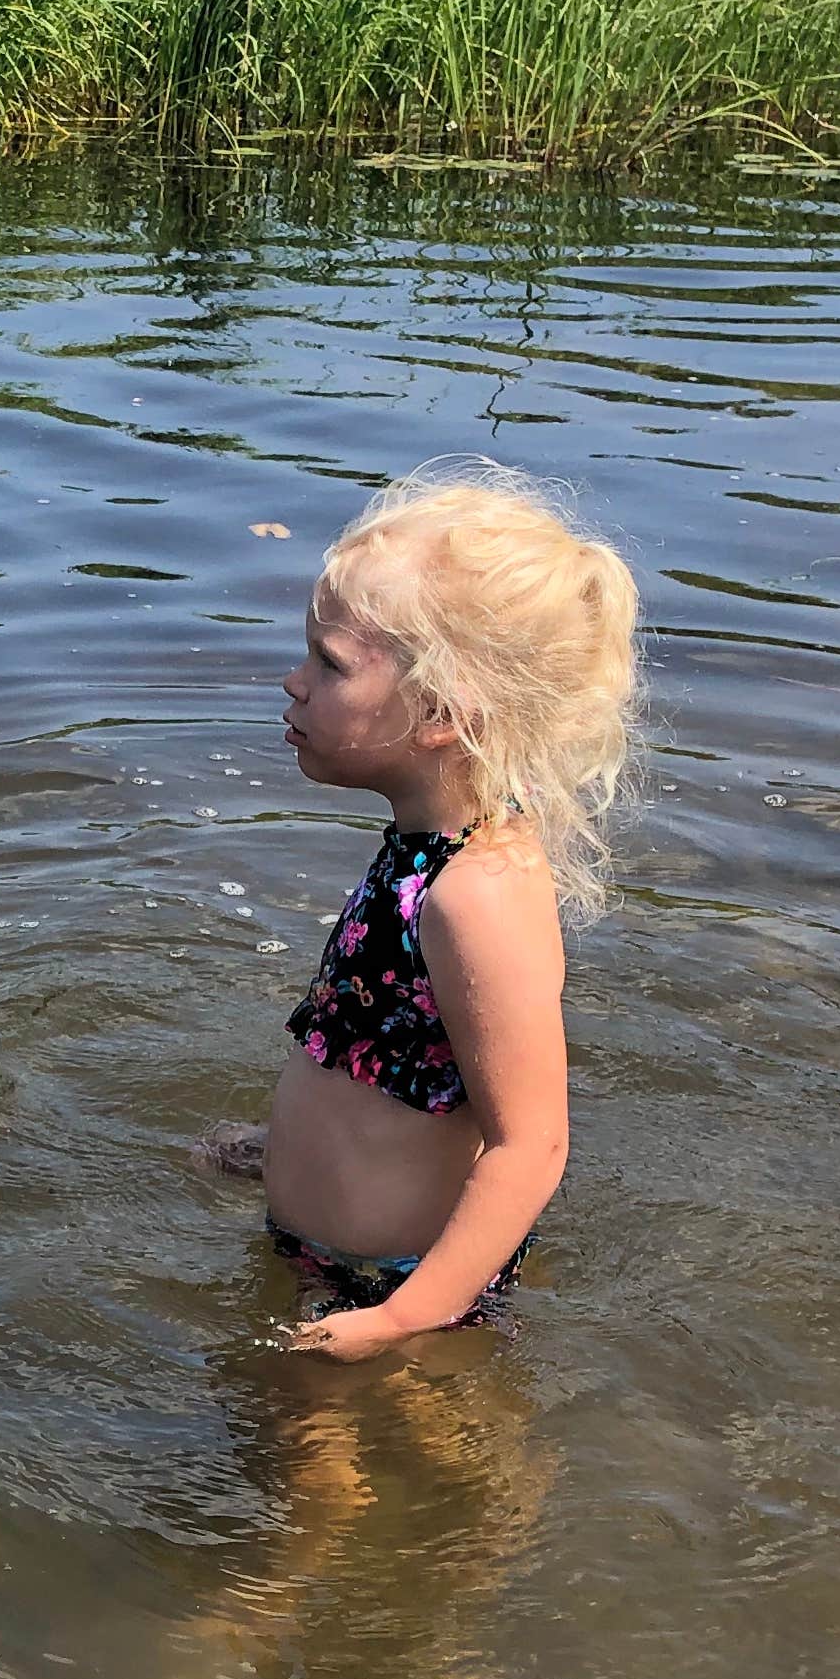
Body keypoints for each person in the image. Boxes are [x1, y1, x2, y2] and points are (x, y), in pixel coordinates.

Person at [216, 468, 639, 1360]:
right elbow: (385, 1043)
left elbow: (532, 1143)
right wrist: (277, 1147)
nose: (292, 682)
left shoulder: (476, 890)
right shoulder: (425, 851)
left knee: (318, 1489)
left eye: (328, 664)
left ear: (443, 713)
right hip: (332, 1264)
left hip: (400, 1285)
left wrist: (404, 1316)